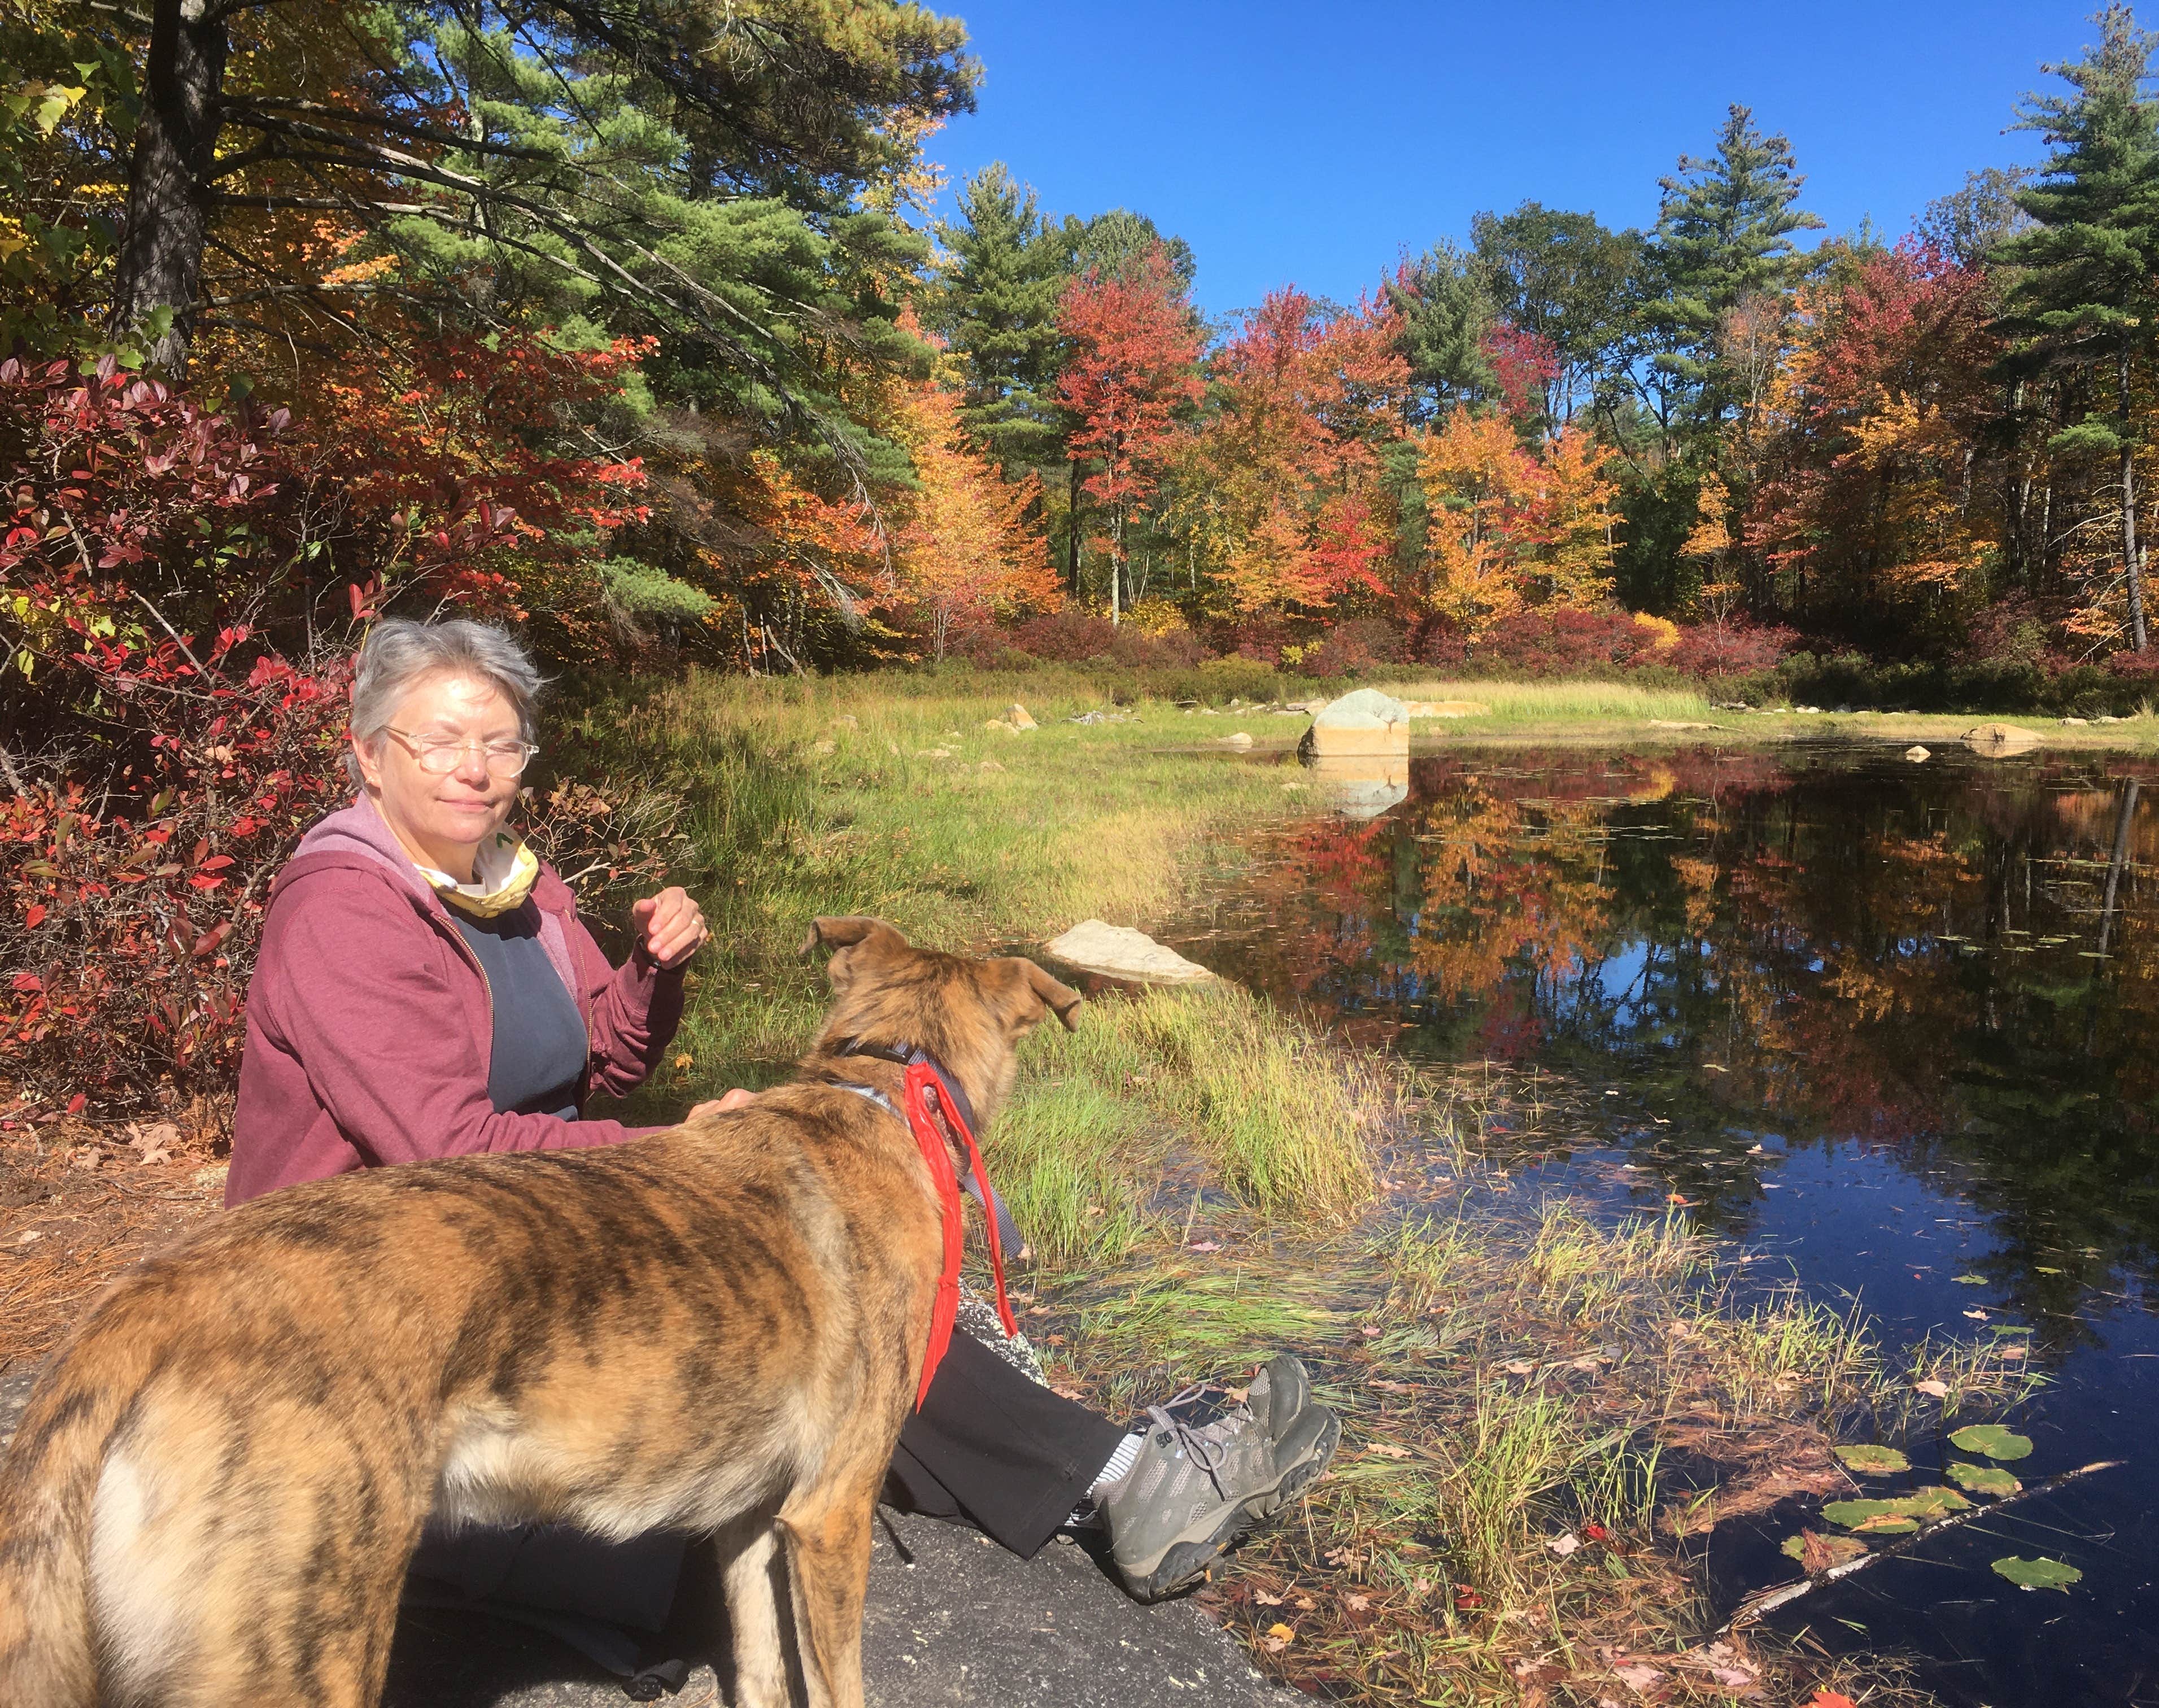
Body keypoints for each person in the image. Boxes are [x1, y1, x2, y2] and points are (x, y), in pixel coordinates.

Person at [228, 617, 1338, 1663]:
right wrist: (665, 1152)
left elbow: (604, 1061)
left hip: (541, 1251)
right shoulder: (345, 908)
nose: (474, 769)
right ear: (369, 755)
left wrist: (650, 975)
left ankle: (1118, 1475)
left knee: (820, 1304)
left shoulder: (511, 881)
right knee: (774, 1399)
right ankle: (1124, 1479)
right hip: (397, 1331)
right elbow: (443, 1145)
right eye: (439, 742)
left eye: (501, 743)